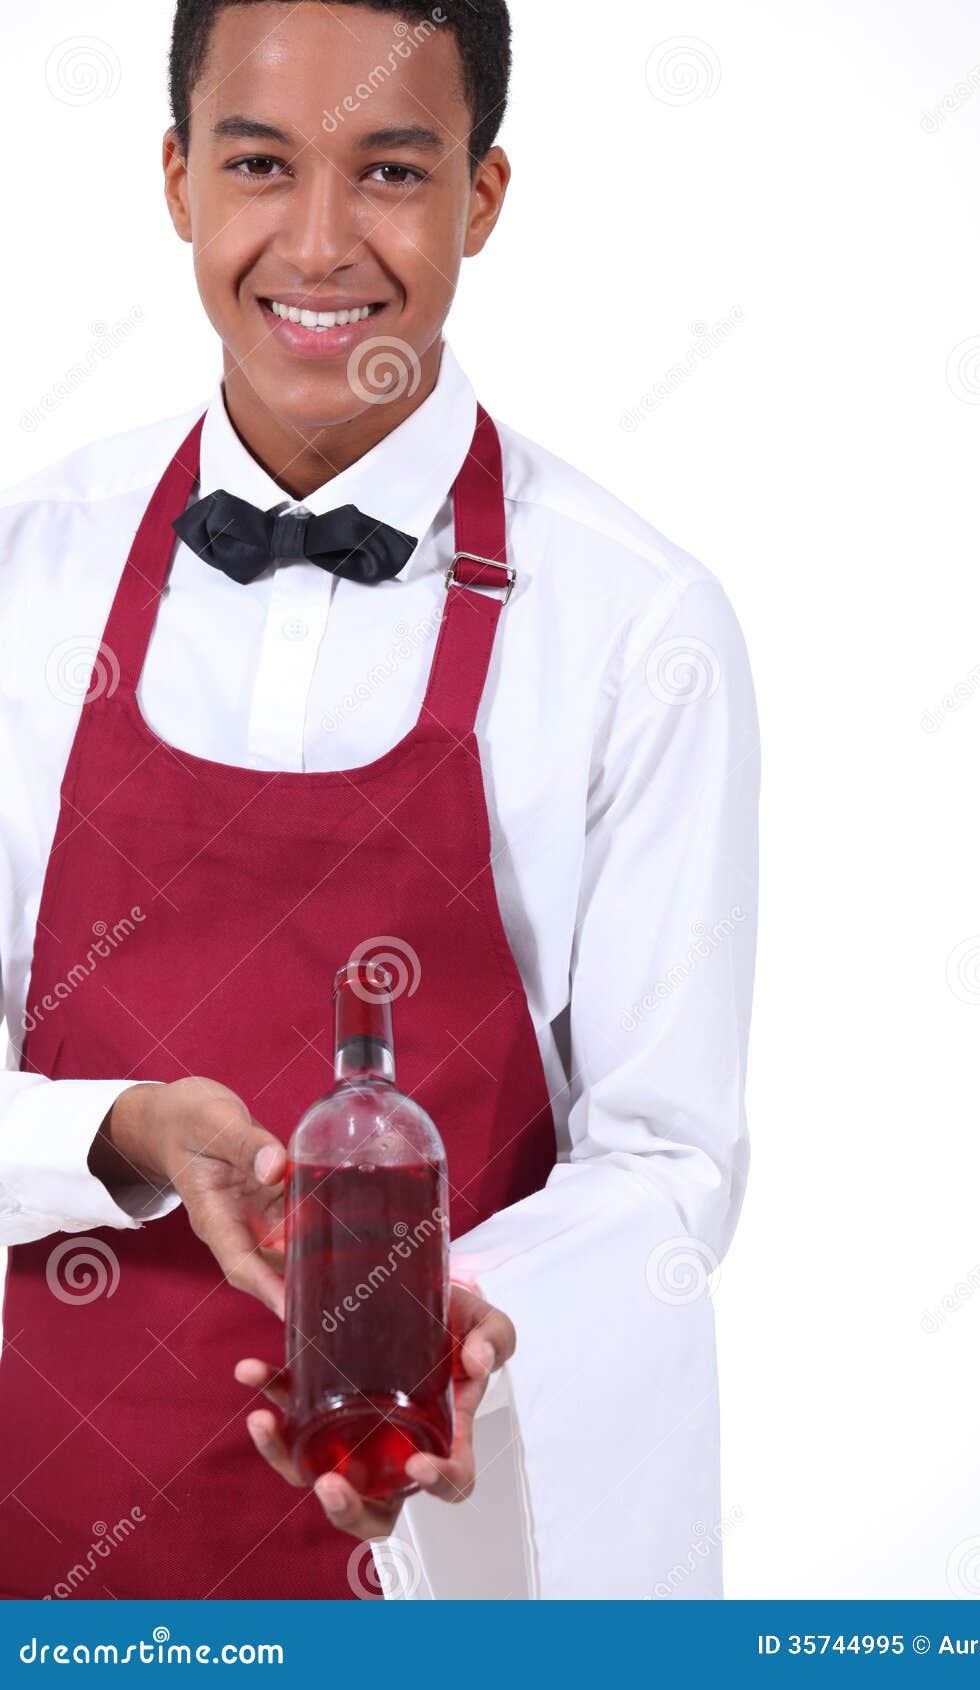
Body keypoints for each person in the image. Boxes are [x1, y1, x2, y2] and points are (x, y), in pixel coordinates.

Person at [0, 0, 760, 1600]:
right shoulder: (28, 569)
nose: (323, 242)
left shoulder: (632, 622)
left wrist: (446, 1315)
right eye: (262, 163)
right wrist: (116, 1133)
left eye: (394, 171)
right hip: (49, 1539)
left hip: (452, 1545)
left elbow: (666, 1156)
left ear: (483, 195)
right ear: (176, 179)